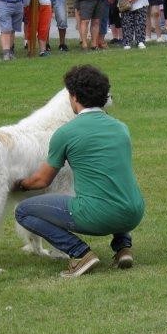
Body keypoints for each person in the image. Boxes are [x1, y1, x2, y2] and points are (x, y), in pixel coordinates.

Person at [14, 64, 145, 278]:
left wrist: (20, 184)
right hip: (134, 211)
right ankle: (123, 247)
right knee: (113, 186)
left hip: (97, 215)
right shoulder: (121, 128)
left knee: (23, 211)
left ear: (73, 97)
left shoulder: (65, 133)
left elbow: (42, 181)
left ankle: (80, 253)